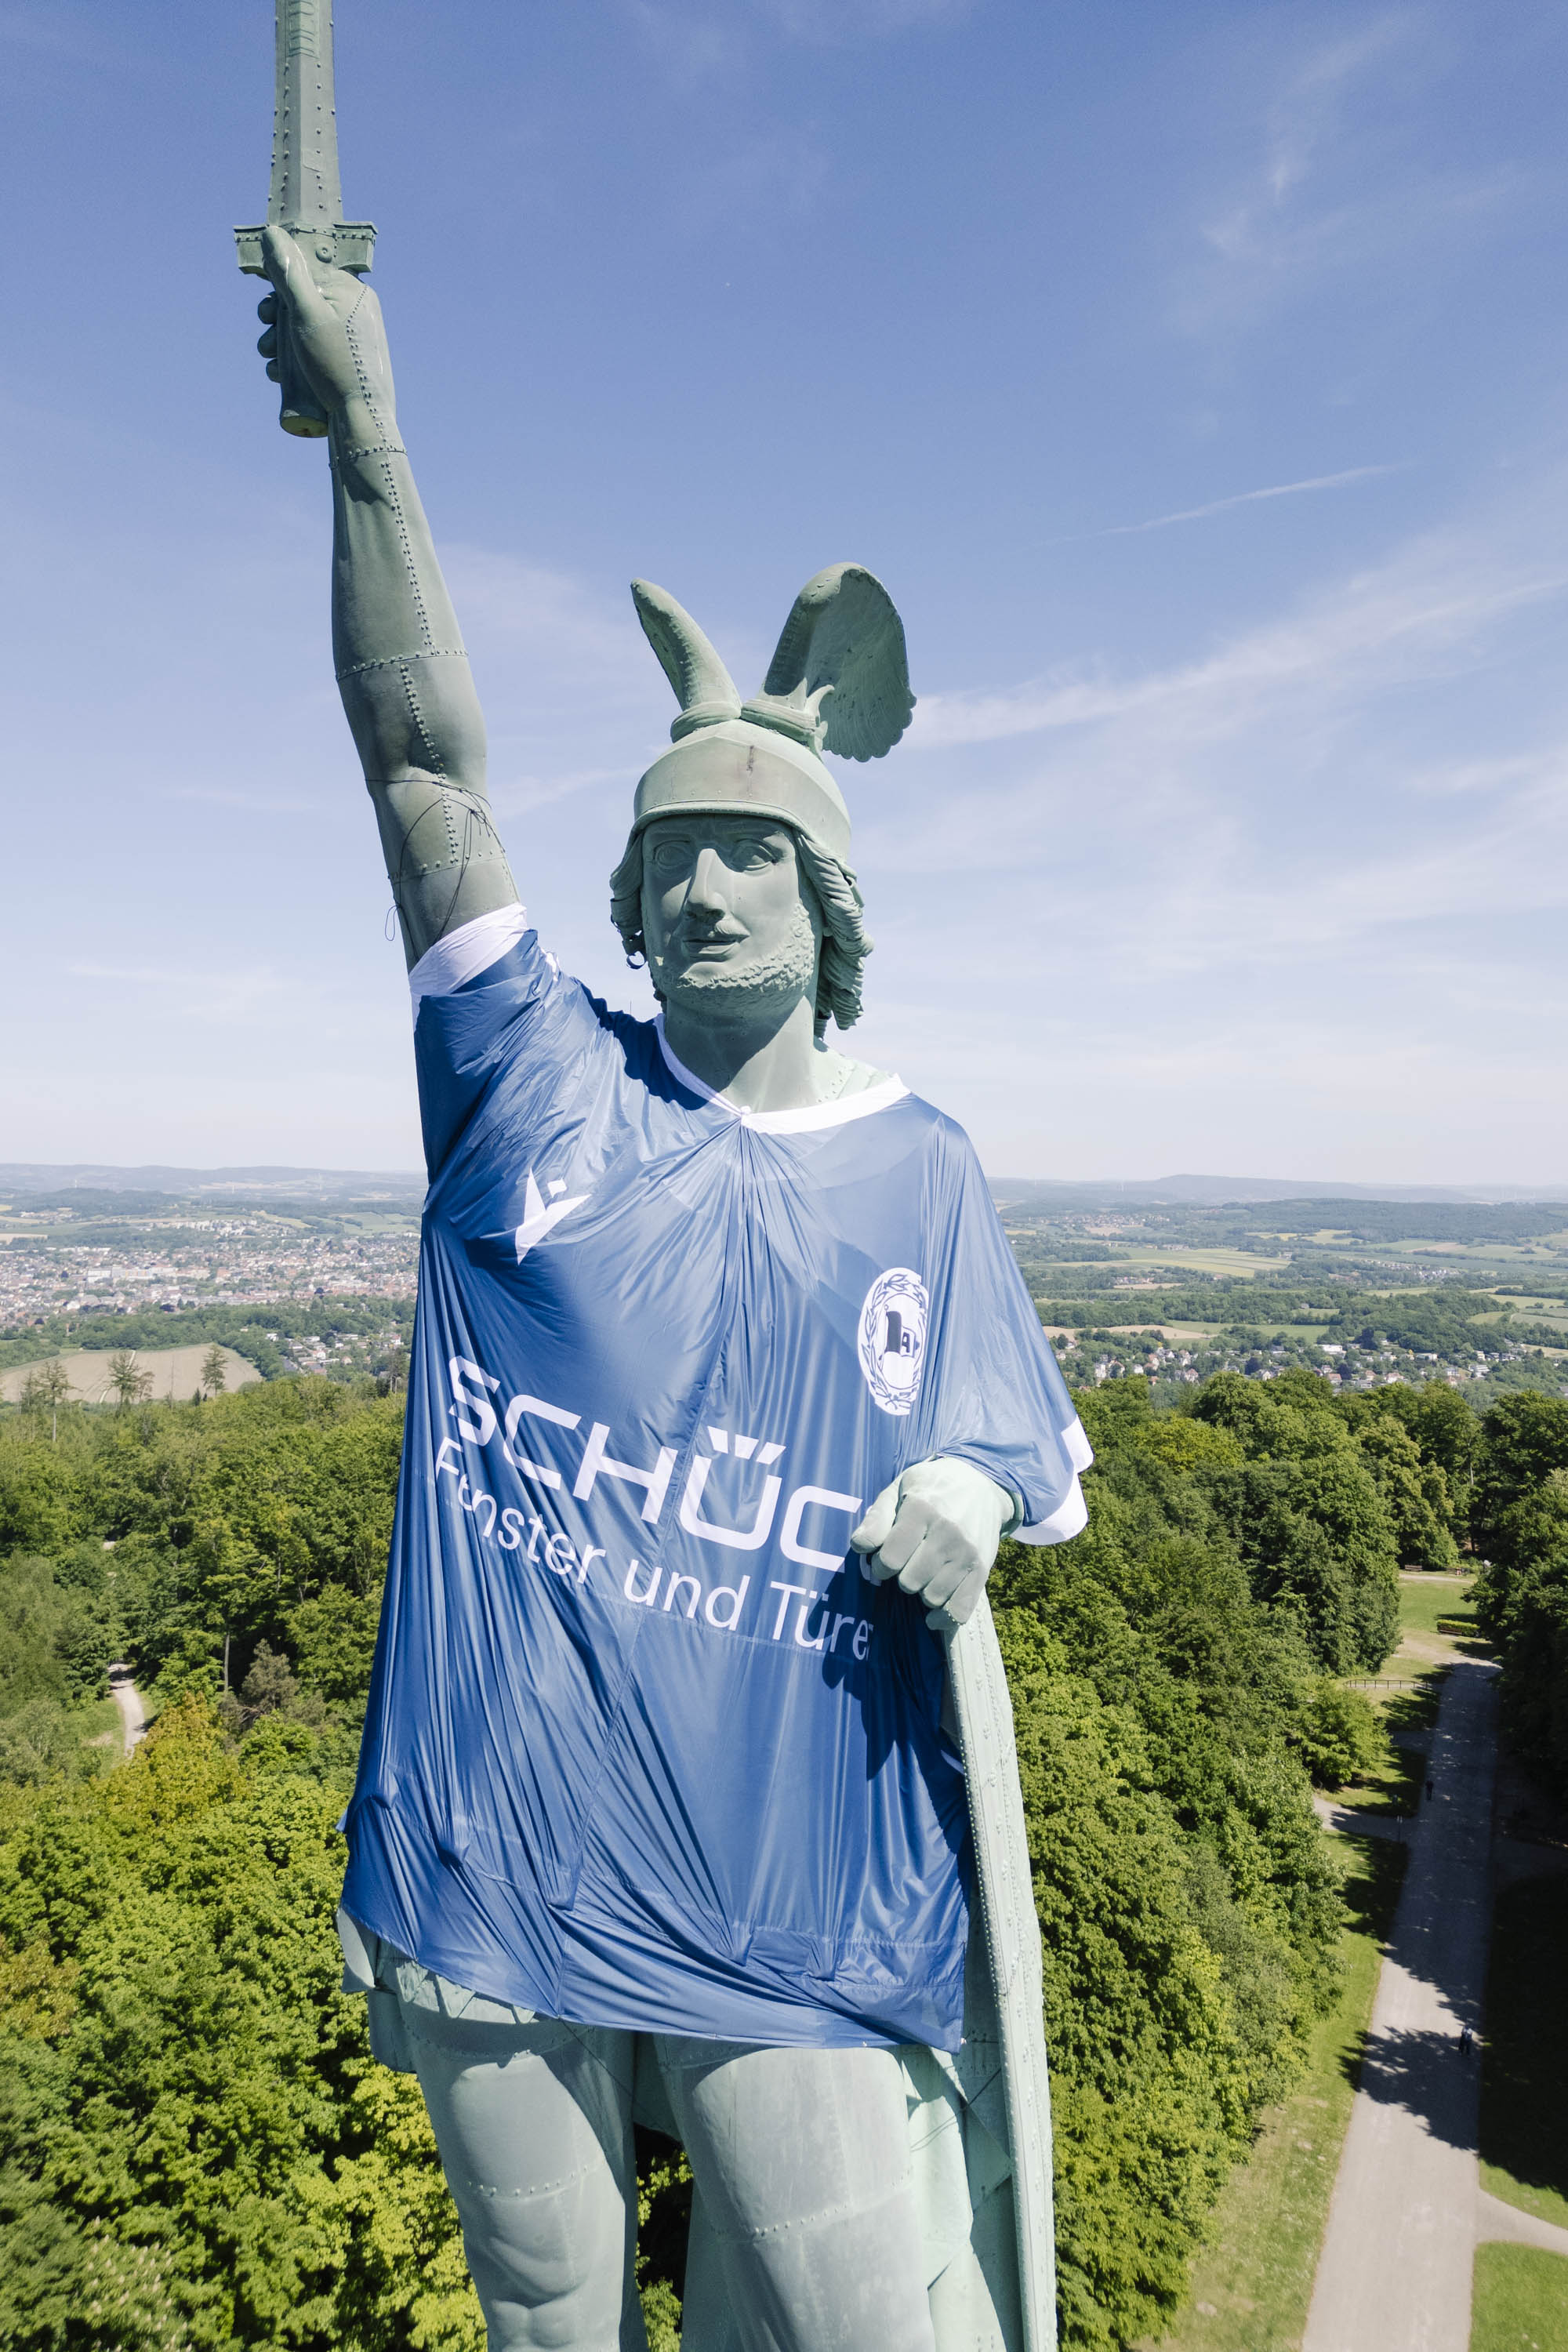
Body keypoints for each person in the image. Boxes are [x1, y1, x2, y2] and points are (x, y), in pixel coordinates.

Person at [252, 227, 1091, 2352]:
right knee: (548, 2316)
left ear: (831, 897)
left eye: (753, 850)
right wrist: (369, 429)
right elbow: (423, 766)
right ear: (624, 901)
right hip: (495, 1854)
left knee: (856, 2316)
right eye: (668, 856)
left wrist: (969, 1495)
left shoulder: (920, 1165)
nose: (706, 885)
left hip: (791, 1891)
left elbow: (1018, 1452)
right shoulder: (528, 1078)